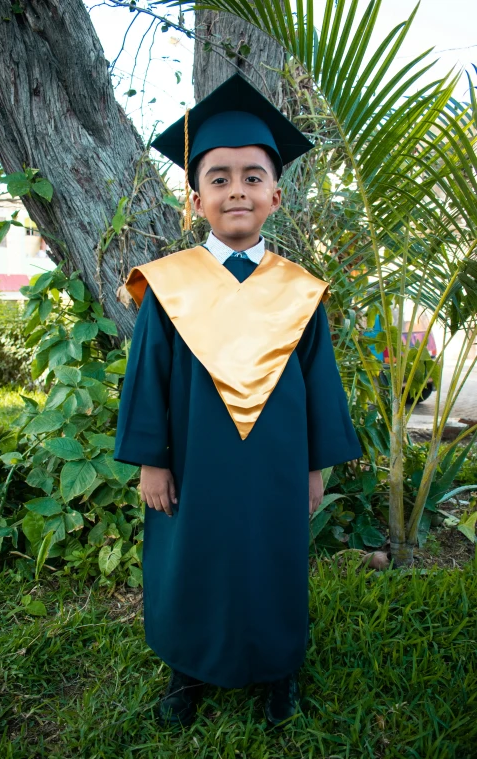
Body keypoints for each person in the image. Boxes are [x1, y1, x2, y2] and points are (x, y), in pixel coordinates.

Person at [113, 73, 362, 728]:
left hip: (274, 464)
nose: (236, 190)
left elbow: (318, 381)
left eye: (252, 176)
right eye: (218, 178)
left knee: (270, 559)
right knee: (190, 559)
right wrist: (151, 460)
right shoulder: (170, 287)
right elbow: (148, 379)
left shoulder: (301, 291)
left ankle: (276, 670)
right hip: (193, 461)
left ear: (276, 195)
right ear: (196, 199)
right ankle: (185, 668)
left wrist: (314, 465)